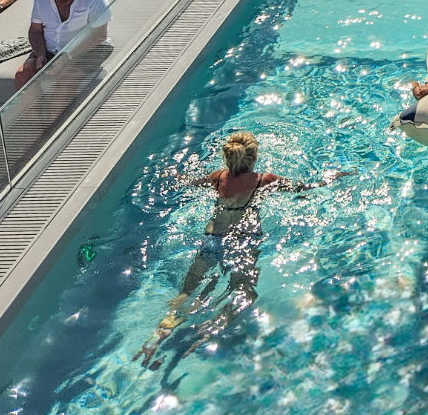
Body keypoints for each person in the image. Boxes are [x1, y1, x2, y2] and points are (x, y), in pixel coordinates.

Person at [136, 130, 351, 368]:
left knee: (184, 295)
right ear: (254, 158)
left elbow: (189, 183)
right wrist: (332, 177)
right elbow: (302, 187)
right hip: (243, 242)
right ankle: (205, 335)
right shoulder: (263, 180)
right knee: (244, 294)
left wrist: (175, 175)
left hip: (213, 239)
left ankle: (157, 336)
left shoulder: (218, 177)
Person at [14, 0, 112, 90]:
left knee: (64, 82)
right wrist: (40, 54)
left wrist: (68, 58)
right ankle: (30, 110)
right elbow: (36, 30)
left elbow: (99, 36)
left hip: (88, 49)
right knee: (22, 75)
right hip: (51, 50)